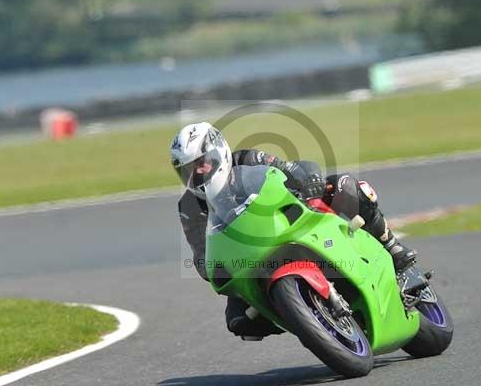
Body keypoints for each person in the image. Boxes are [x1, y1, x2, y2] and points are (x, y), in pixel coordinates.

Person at [171, 122, 417, 338]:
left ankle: (391, 246)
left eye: (200, 163)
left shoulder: (247, 159)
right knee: (239, 320)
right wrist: (210, 266)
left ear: (218, 152)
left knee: (346, 187)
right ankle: (301, 315)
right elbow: (201, 250)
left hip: (295, 218)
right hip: (250, 256)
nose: (197, 173)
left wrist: (308, 179)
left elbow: (291, 168)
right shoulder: (189, 206)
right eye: (187, 170)